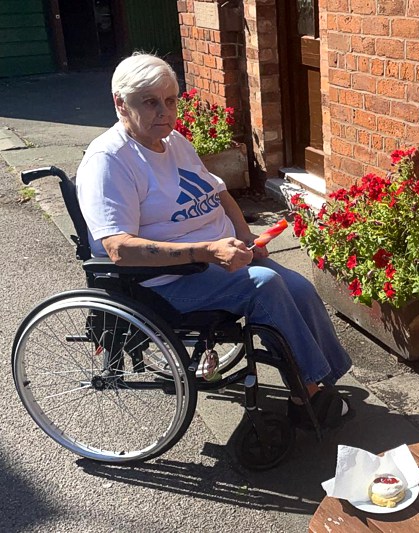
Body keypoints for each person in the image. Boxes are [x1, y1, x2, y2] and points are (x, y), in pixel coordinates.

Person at [76, 53, 352, 427]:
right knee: (267, 286)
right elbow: (118, 248)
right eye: (150, 102)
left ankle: (323, 375)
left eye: (171, 100)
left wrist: (245, 236)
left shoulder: (173, 142)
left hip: (220, 259)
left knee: (299, 287)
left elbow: (218, 192)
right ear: (120, 103)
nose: (165, 112)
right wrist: (208, 250)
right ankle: (309, 393)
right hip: (166, 280)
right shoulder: (110, 161)